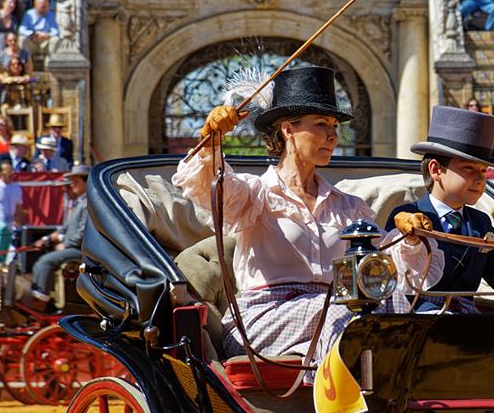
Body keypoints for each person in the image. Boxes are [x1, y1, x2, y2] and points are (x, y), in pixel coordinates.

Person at [174, 67, 443, 360]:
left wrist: (410, 240)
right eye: (320, 125)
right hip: (265, 319)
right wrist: (210, 143)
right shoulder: (255, 195)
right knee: (339, 311)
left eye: (333, 127)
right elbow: (210, 188)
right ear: (288, 129)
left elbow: (381, 271)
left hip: (335, 311)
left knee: (395, 305)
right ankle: (348, 401)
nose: (332, 136)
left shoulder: (349, 207)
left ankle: (400, 397)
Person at [388, 105, 494, 314]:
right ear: (436, 169)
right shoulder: (406, 216)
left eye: (484, 171)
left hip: (466, 329)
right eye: (468, 168)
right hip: (416, 326)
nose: (479, 179)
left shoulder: (481, 223)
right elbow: (389, 280)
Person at [22, 165, 91, 313]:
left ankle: (41, 301)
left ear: (87, 182)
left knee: (46, 261)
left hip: (82, 250)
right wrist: (47, 238)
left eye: (75, 181)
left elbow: (82, 233)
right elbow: (64, 229)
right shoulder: (80, 203)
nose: (71, 185)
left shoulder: (87, 204)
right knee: (42, 259)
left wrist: (65, 245)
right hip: (74, 247)